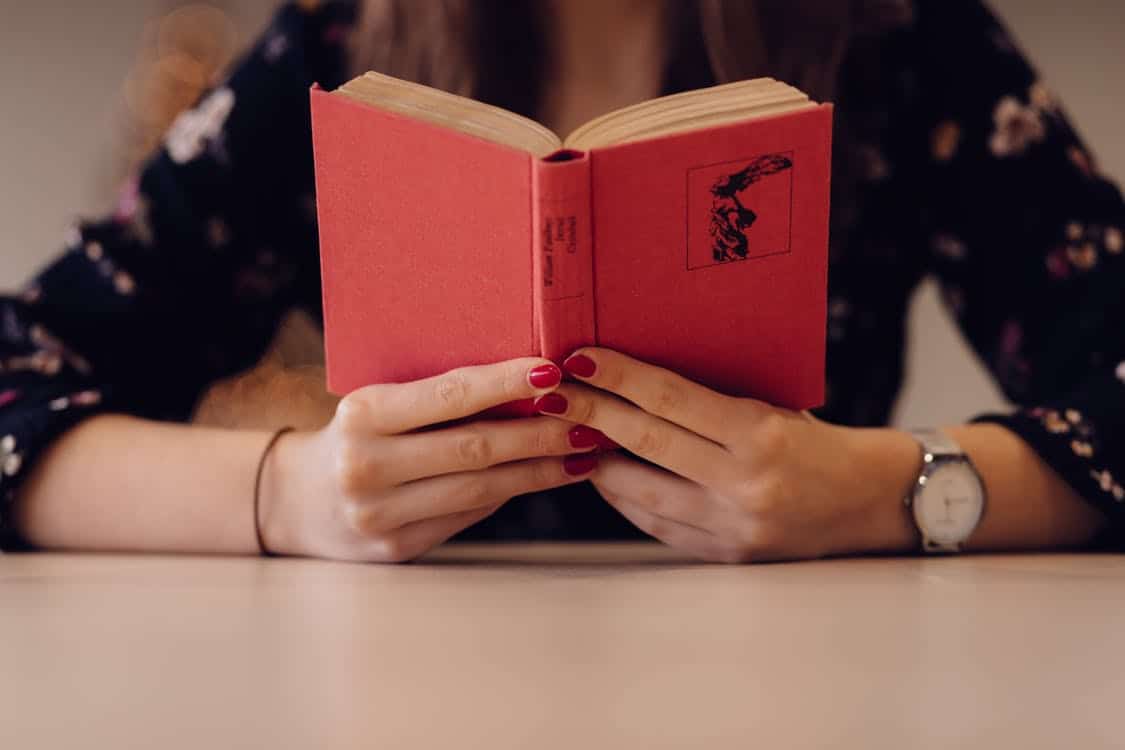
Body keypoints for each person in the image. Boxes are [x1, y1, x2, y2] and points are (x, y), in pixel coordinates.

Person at [1, 0, 1121, 563]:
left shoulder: (904, 37)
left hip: (781, 690)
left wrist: (885, 491)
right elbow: (18, 381)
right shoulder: (339, 51)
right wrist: (290, 497)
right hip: (419, 699)